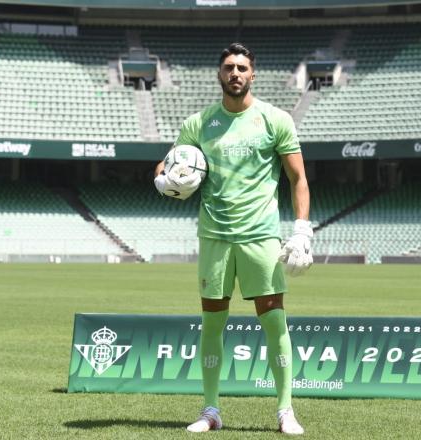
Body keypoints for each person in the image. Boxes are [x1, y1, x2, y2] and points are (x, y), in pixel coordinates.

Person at [153, 42, 313, 435]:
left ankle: (285, 410)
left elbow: (298, 178)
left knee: (274, 320)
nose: (235, 73)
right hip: (214, 237)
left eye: (242, 67)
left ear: (252, 74)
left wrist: (302, 229)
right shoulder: (198, 123)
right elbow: (169, 162)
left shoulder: (275, 120)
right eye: (229, 67)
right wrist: (163, 178)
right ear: (219, 74)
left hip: (261, 237)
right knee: (212, 323)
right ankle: (210, 411)